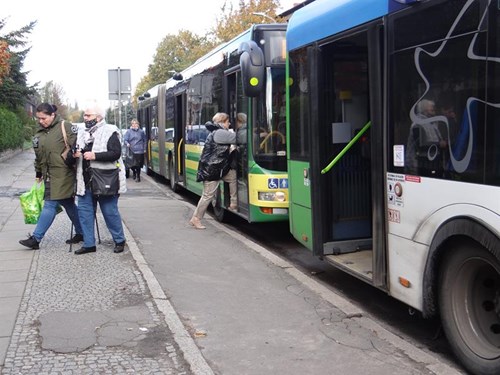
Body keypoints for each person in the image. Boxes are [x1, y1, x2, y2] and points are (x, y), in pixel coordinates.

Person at [19, 103, 84, 250]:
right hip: (48, 174)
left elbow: (78, 143)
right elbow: (38, 156)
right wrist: (38, 173)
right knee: (68, 204)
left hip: (64, 173)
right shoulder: (39, 133)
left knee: (50, 204)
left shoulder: (64, 126)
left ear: (52, 115)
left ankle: (36, 238)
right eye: (39, 118)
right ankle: (82, 232)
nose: (41, 121)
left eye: (44, 118)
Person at [70, 103, 127, 254]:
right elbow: (73, 156)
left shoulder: (110, 131)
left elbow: (116, 153)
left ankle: (119, 240)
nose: (85, 118)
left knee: (109, 212)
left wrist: (95, 156)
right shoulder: (82, 133)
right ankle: (89, 244)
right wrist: (74, 155)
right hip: (85, 180)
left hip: (105, 180)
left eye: (88, 115)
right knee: (85, 213)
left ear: (99, 117)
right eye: (84, 115)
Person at [189, 112, 237, 229]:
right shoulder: (220, 133)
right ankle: (196, 218)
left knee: (232, 176)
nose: (229, 123)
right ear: (222, 122)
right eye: (227, 121)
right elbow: (238, 139)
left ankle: (233, 203)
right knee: (207, 195)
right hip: (212, 170)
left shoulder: (217, 132)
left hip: (219, 168)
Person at [405, 99, 448, 177]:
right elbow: (420, 145)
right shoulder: (418, 124)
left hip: (432, 164)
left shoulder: (432, 124)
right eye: (431, 107)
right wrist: (439, 144)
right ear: (424, 109)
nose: (433, 108)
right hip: (421, 166)